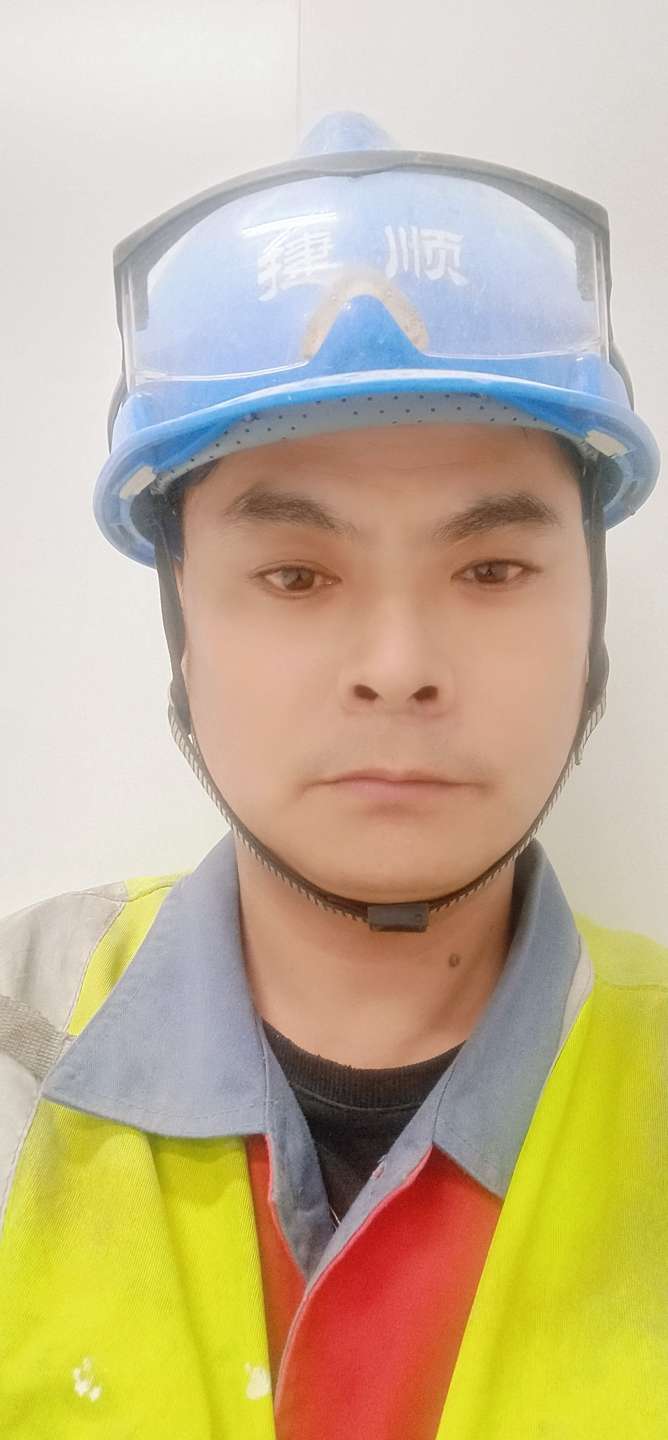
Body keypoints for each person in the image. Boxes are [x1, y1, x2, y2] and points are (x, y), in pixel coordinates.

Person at [0, 111, 665, 1439]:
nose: (399, 667)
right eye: (297, 575)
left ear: (591, 611)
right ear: (181, 621)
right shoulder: (19, 1049)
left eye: (492, 568)